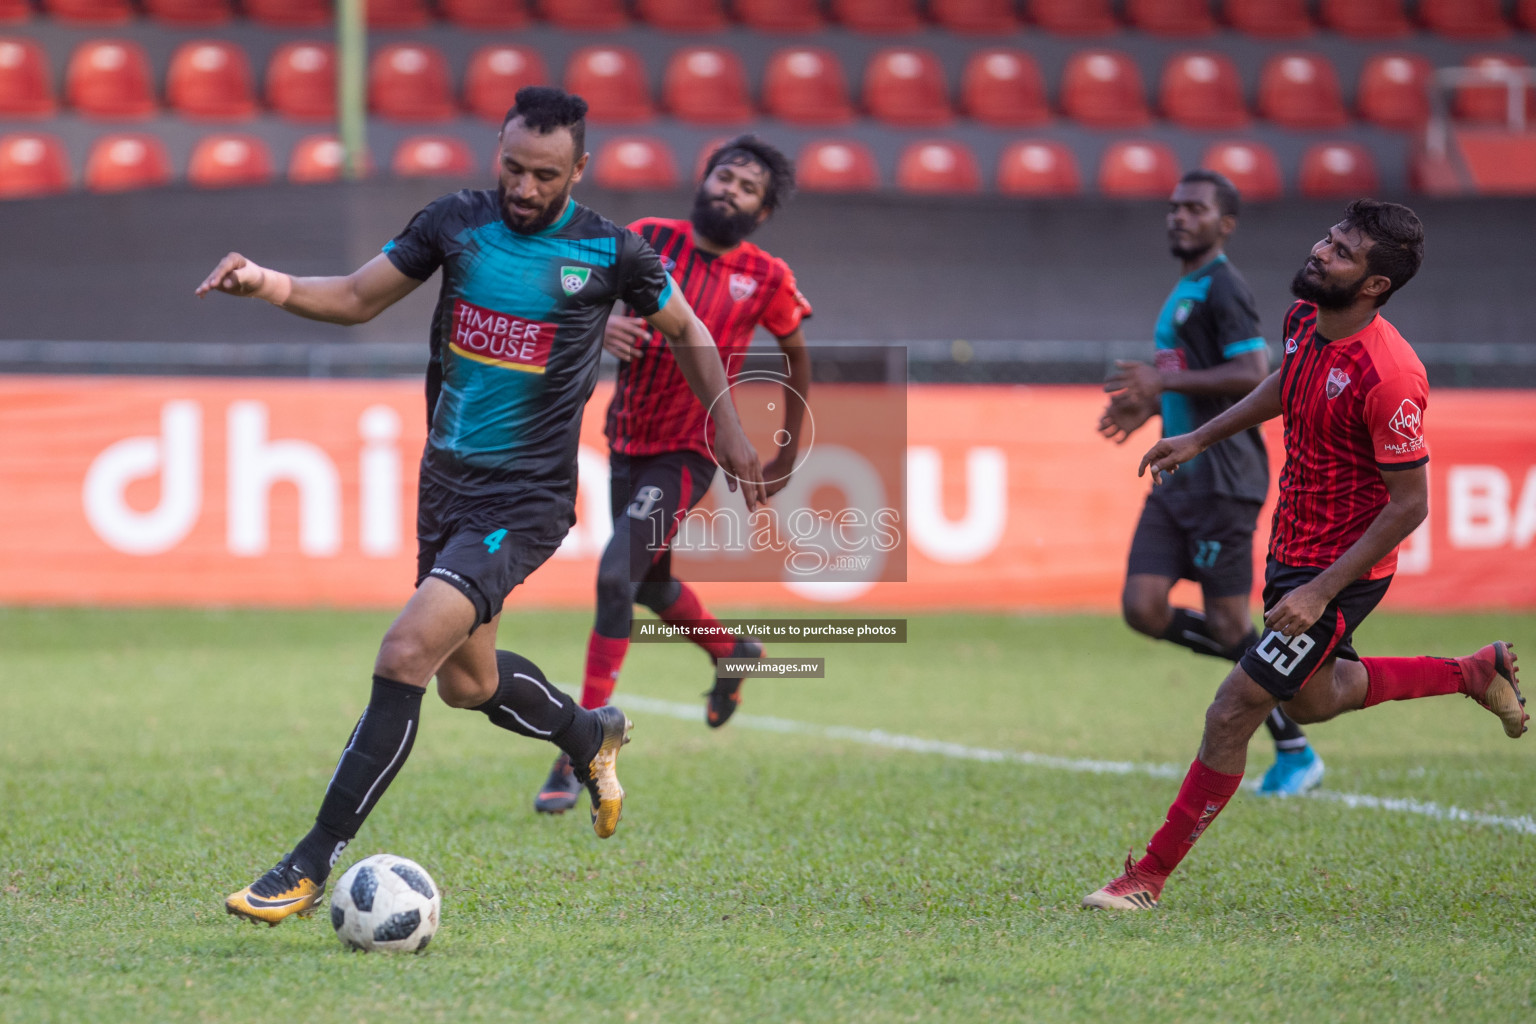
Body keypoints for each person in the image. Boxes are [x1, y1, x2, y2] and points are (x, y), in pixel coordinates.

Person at [198, 86, 766, 926]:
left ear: (579, 168)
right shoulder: (455, 223)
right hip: (447, 484)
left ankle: (309, 863)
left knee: (405, 652)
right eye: (513, 168)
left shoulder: (611, 251)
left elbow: (688, 330)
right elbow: (357, 298)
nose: (525, 189)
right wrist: (267, 283)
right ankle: (588, 735)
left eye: (545, 174)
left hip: (527, 496)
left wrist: (729, 428)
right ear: (496, 154)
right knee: (470, 682)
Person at [1084, 199, 1525, 912]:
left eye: (1343, 252)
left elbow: (1409, 505)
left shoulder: (1392, 377)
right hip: (1291, 549)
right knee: (1318, 699)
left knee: (1234, 708)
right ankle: (1473, 672)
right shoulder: (1302, 319)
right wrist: (1200, 437)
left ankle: (1147, 877)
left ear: (1375, 285)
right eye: (1328, 238)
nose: (1321, 252)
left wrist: (1322, 592)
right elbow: (1284, 386)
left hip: (1341, 569)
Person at [534, 135, 813, 814]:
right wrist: (602, 329)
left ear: (762, 211)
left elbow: (799, 358)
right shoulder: (649, 238)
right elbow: (569, 290)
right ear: (704, 178)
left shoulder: (768, 277)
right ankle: (733, 650)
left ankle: (584, 746)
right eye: (725, 176)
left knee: (615, 576)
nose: (730, 190)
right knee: (652, 584)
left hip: (688, 451)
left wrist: (783, 452)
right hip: (627, 439)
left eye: (748, 187)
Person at [1100, 169, 1321, 797]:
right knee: (1142, 608)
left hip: (1223, 482)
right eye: (1173, 208)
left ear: (1226, 223)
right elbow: (1196, 377)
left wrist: (1162, 383)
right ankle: (1268, 682)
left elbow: (1255, 371)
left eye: (1194, 208)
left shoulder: (1224, 287)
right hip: (1176, 481)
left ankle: (1294, 747)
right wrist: (1146, 405)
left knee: (1230, 625)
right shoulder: (1187, 288)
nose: (1178, 217)